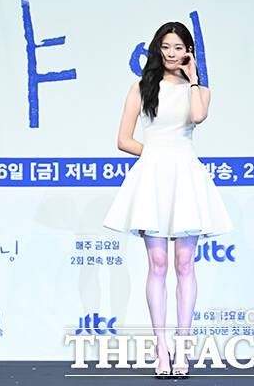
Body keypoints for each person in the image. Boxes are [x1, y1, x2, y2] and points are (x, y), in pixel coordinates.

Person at [103, 21, 234, 379]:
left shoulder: (199, 90)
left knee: (185, 264)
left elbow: (198, 117)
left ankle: (183, 349)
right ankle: (161, 350)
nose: (172, 53)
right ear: (157, 49)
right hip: (153, 176)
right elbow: (123, 140)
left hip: (186, 176)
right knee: (157, 264)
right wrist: (154, 155)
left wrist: (193, 79)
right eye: (166, 47)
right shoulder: (141, 87)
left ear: (189, 50)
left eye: (179, 47)